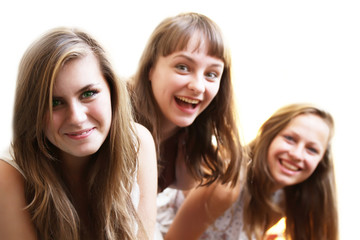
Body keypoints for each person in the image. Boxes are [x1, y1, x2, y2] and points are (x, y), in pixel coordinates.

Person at [0, 27, 157, 240]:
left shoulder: (138, 142)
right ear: (32, 112)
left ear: (112, 92)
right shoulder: (9, 173)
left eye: (88, 94)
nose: (76, 117)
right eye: (54, 102)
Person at [129, 12, 245, 239]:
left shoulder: (189, 143)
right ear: (151, 69)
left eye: (212, 74)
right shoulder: (115, 120)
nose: (198, 86)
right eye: (183, 67)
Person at [198, 103, 338, 240]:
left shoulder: (280, 199)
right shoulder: (227, 185)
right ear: (269, 134)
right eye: (289, 139)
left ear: (321, 162)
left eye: (312, 149)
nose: (297, 154)